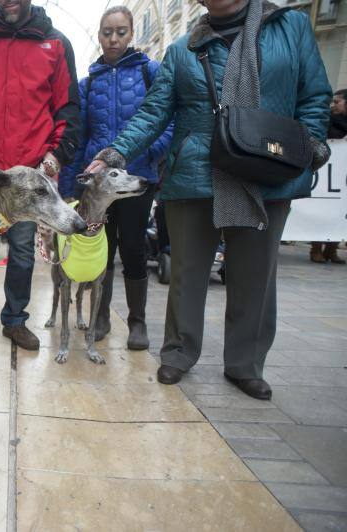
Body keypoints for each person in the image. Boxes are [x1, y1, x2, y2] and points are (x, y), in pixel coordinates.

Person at [86, 0, 331, 399]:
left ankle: (245, 363)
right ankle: (179, 352)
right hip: (196, 170)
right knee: (186, 272)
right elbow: (154, 112)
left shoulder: (291, 29)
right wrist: (114, 154)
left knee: (255, 274)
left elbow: (314, 94)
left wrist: (313, 142)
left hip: (266, 168)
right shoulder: (182, 49)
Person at [0, 0, 81, 350]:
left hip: (30, 174)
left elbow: (67, 106)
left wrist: (55, 154)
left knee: (22, 251)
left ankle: (15, 320)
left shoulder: (55, 43)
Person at [58, 6, 173, 350]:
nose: (113, 38)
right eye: (107, 32)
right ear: (99, 34)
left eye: (121, 31)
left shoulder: (150, 72)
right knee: (99, 252)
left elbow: (167, 121)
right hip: (97, 186)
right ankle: (102, 316)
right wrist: (68, 188)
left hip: (137, 180)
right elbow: (81, 136)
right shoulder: (89, 82)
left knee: (135, 247)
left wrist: (152, 154)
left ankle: (137, 322)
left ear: (131, 33)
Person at [310, 87, 346, 263]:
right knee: (324, 207)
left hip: (342, 175)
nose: (334, 105)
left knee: (340, 211)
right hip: (328, 173)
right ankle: (316, 248)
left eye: (338, 102)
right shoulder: (328, 119)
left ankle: (331, 249)